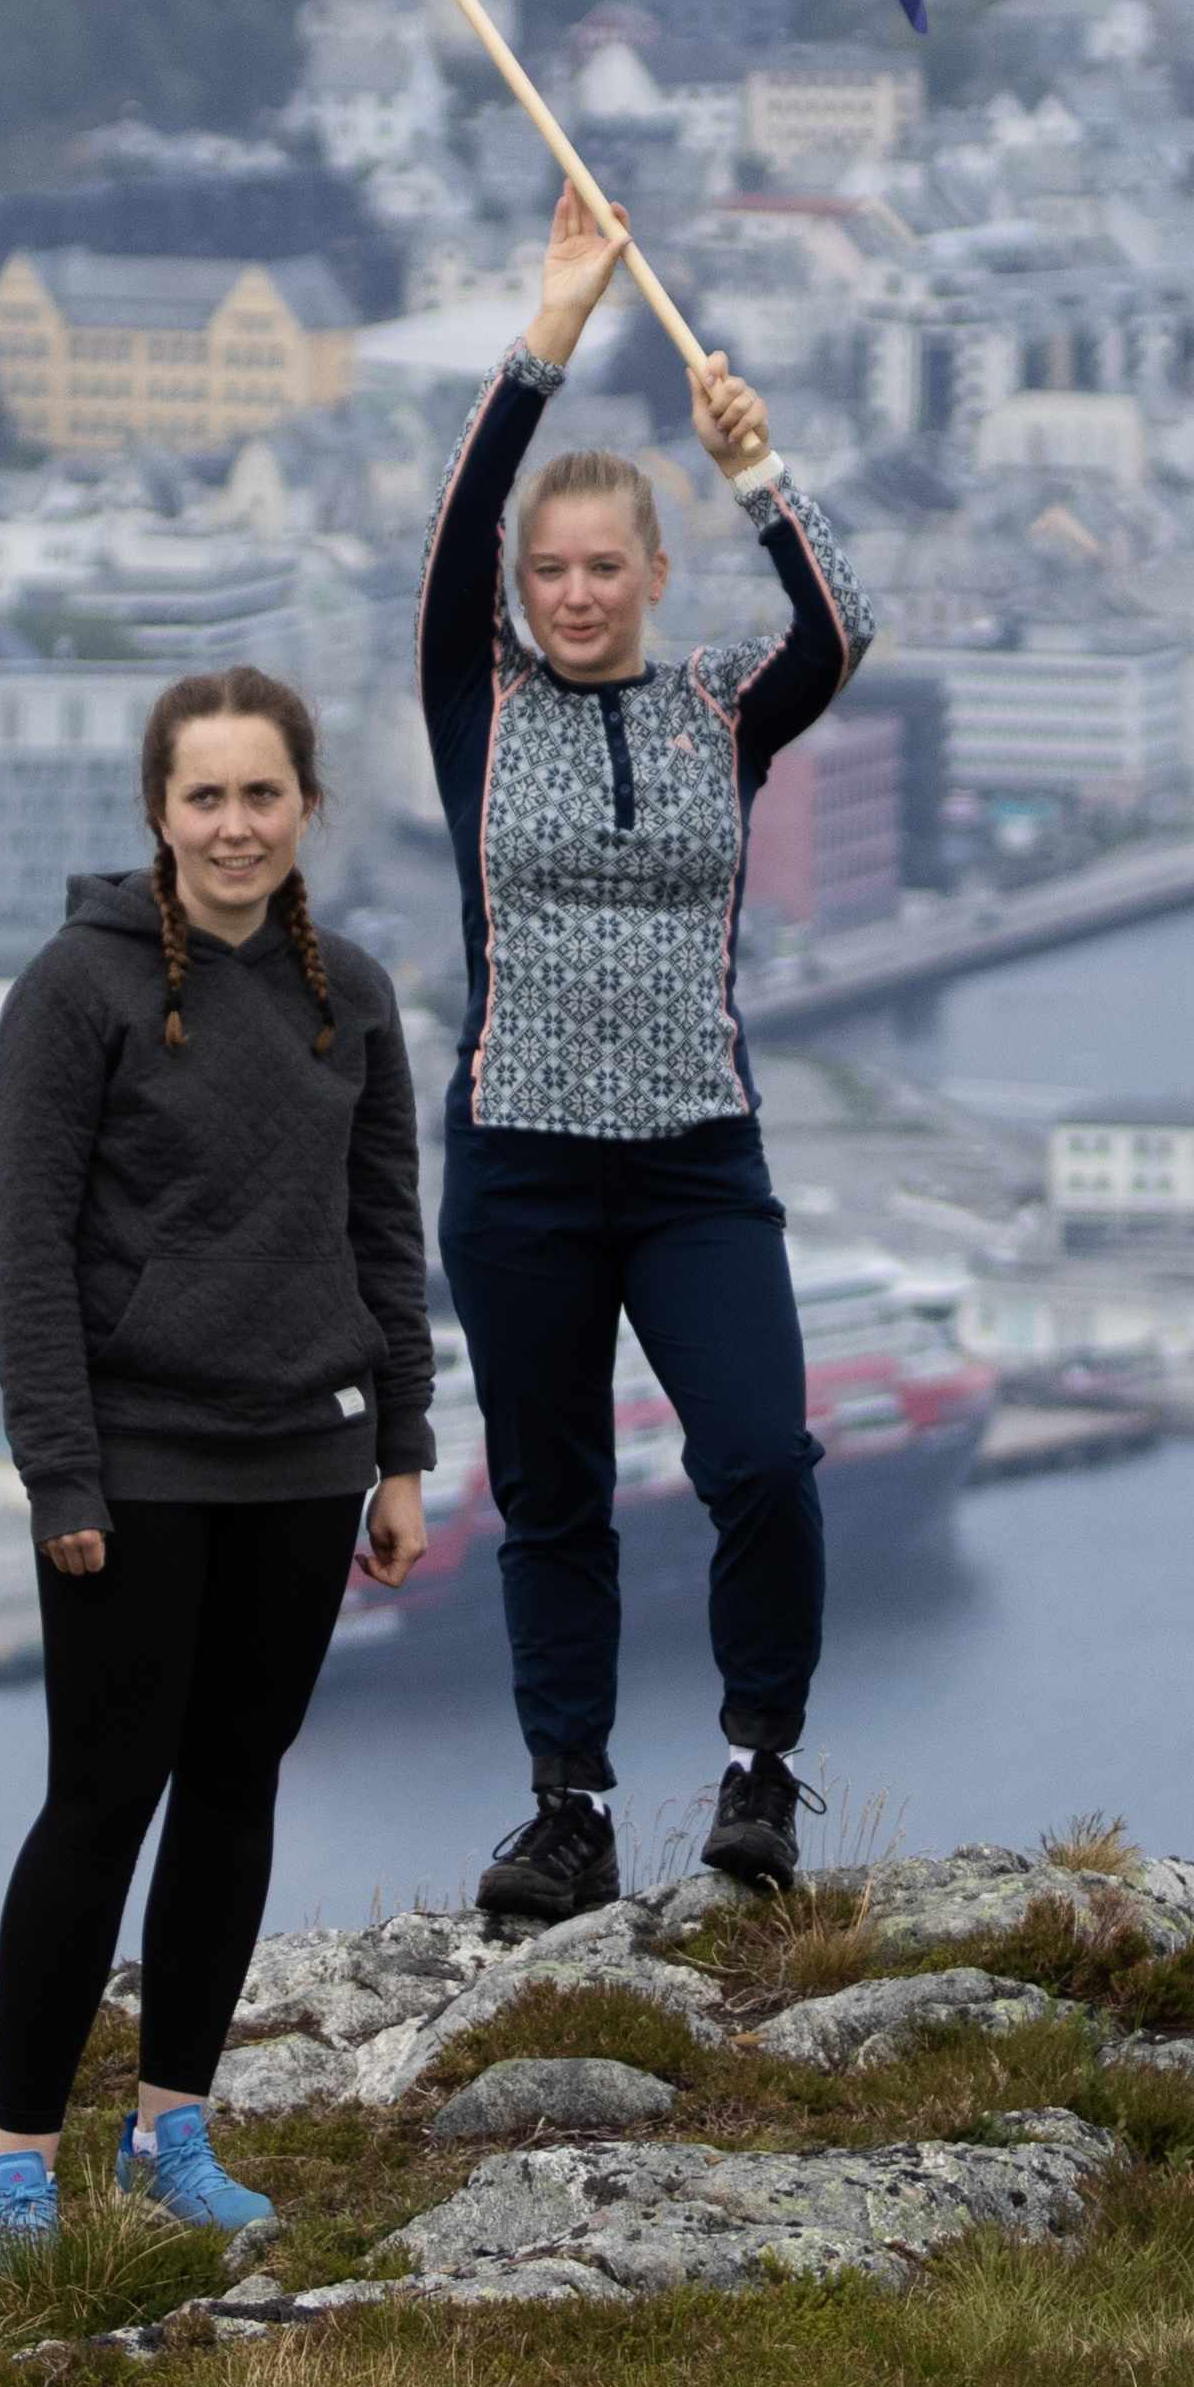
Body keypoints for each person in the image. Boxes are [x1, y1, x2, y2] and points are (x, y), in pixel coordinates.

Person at [419, 177, 877, 1927]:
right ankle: (572, 1805)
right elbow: (457, 530)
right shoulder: (479, 707)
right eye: (554, 571)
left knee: (760, 1455)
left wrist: (757, 466)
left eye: (608, 565)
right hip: (520, 1163)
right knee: (551, 1502)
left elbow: (840, 627)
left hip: (697, 1160)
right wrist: (550, 331)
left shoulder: (721, 715)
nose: (577, 590)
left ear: (654, 575)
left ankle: (759, 1769)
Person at [0, 668, 435, 2249]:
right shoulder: (73, 989)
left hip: (307, 1460)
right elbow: (25, 1250)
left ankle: (172, 2127)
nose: (235, 827)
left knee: (235, 1789)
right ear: (158, 814)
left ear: (309, 806)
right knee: (97, 1801)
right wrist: (62, 1477)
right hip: (138, 1465)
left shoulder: (351, 993)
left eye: (262, 796)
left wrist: (405, 1453)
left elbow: (386, 1237)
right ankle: (19, 2156)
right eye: (205, 799)